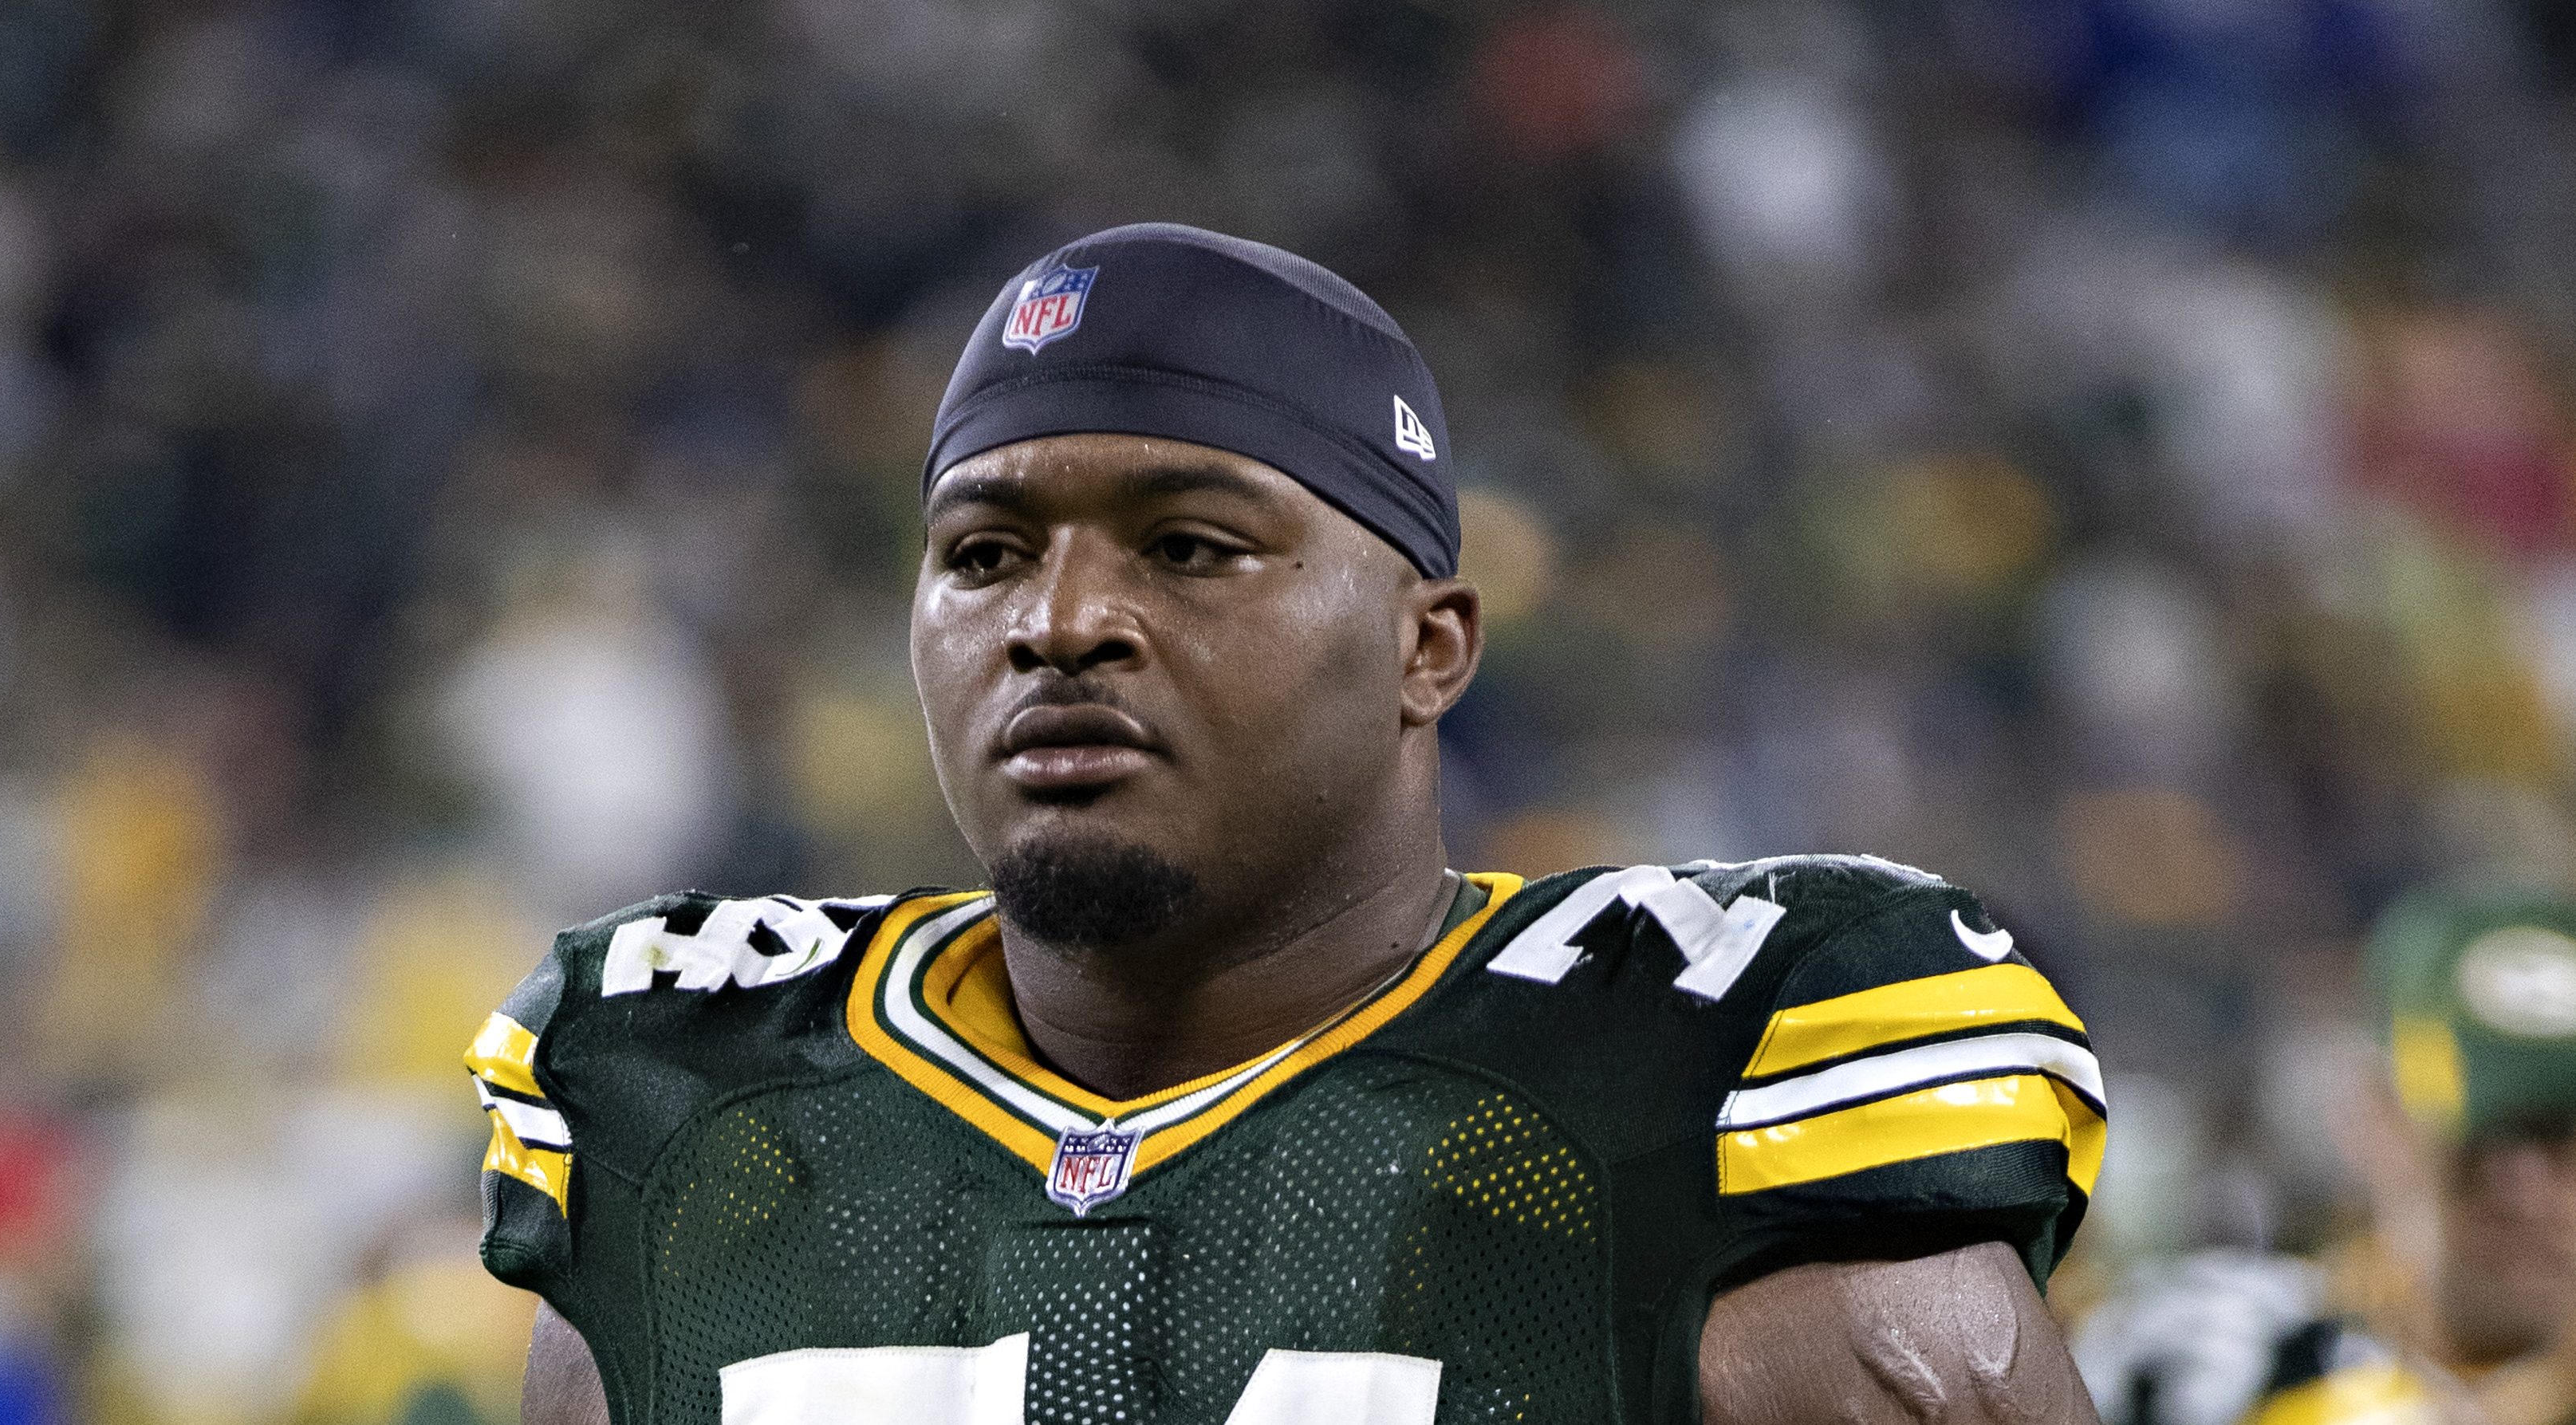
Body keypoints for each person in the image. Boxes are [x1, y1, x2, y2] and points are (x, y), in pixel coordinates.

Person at [466, 222, 2107, 1425]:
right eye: (983, 554)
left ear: (1427, 643)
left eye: (1186, 545)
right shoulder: (686, 1110)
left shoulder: (1706, 1063)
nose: (1061, 620)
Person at [2073, 888, 2576, 1425]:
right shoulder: (2204, 1358)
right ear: (2371, 1116)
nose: (2528, 1192)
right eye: (2482, 1141)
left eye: (2564, 1137)